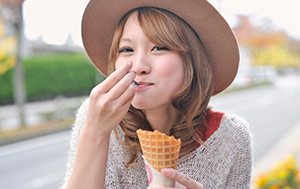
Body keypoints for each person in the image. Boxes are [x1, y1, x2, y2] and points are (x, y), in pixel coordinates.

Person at [61, 0, 252, 188]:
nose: (139, 66)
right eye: (126, 49)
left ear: (192, 60)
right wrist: (95, 133)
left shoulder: (230, 137)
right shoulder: (96, 115)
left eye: (159, 48)